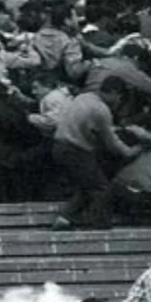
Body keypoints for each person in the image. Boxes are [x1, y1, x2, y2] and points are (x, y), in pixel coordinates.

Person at [51, 77, 142, 231]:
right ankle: (100, 224)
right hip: (76, 149)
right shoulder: (101, 110)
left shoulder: (83, 97)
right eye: (119, 97)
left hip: (59, 145)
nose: (119, 101)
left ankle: (64, 218)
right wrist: (130, 151)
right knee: (101, 188)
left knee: (88, 184)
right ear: (114, 93)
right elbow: (111, 142)